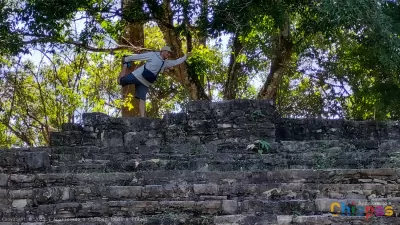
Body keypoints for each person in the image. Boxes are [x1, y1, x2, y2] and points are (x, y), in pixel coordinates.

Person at [119, 46, 191, 117]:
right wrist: (127, 59)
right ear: (163, 51)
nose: (168, 54)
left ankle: (143, 118)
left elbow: (176, 62)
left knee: (142, 99)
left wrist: (185, 56)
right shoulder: (153, 55)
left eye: (169, 53)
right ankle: (125, 65)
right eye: (168, 52)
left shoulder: (165, 63)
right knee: (120, 81)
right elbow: (140, 57)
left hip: (145, 82)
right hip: (137, 76)